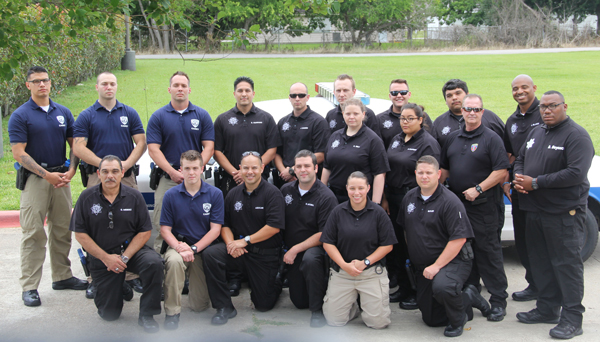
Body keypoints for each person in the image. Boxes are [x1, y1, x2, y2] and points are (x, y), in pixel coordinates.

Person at [514, 91, 594, 339]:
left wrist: (535, 182)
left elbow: (575, 173)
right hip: (535, 210)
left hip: (562, 213)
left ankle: (572, 318)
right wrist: (518, 178)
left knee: (566, 265)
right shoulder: (537, 132)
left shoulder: (576, 135)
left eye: (552, 106)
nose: (547, 110)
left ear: (564, 106)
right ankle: (547, 309)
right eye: (544, 107)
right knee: (541, 262)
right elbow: (521, 158)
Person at [8, 66, 87, 307]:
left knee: (62, 230)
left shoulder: (62, 112)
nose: (42, 85)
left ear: (50, 83)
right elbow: (19, 153)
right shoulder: (20, 115)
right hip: (36, 180)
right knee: (33, 233)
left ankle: (62, 276)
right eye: (36, 81)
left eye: (45, 80)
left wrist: (72, 170)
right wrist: (46, 175)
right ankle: (29, 286)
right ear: (28, 85)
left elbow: (75, 145)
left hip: (61, 179)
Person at [73, 71, 147, 297]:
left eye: (112, 84)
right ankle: (95, 277)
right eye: (104, 83)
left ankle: (132, 275)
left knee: (132, 224)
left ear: (117, 87)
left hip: (126, 175)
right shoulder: (86, 116)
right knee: (96, 226)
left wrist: (123, 166)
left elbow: (141, 142)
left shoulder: (129, 113)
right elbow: (78, 147)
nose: (109, 87)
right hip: (98, 176)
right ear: (97, 87)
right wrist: (105, 167)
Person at [398, 156, 490, 337]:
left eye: (429, 173)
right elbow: (407, 230)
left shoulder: (449, 201)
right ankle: (467, 297)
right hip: (425, 266)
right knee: (431, 319)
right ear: (415, 174)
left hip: (453, 261)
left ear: (438, 174)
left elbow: (459, 239)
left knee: (443, 288)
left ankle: (458, 320)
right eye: (421, 173)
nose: (424, 176)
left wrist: (436, 266)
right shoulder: (409, 198)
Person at [70, 155, 163, 333]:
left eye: (114, 171)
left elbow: (144, 232)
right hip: (102, 257)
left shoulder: (134, 196)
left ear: (122, 173)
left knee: (154, 263)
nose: (110, 176)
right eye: (105, 172)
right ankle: (120, 285)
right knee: (109, 314)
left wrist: (125, 257)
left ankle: (147, 315)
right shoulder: (86, 197)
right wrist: (106, 258)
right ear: (98, 174)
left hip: (131, 252)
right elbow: (80, 235)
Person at [440, 94, 510, 322]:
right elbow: (445, 170)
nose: (471, 113)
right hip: (459, 207)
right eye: (468, 109)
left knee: (488, 253)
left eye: (476, 109)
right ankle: (471, 292)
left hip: (483, 206)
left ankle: (498, 300)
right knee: (463, 252)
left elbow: (501, 171)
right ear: (463, 111)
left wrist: (478, 189)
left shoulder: (491, 138)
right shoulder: (452, 138)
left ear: (482, 112)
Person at [203, 151, 285, 312]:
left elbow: (274, 227)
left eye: (254, 167)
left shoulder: (273, 193)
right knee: (211, 254)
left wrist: (245, 241)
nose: (250, 172)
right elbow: (224, 224)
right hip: (239, 251)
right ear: (240, 169)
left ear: (262, 168)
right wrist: (231, 244)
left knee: (263, 305)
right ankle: (224, 307)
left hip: (264, 254)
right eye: (246, 168)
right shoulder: (233, 194)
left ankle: (277, 278)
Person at [146, 71, 215, 252]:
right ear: (169, 89)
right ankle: (163, 264)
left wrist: (196, 170)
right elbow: (153, 149)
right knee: (162, 222)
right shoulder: (158, 117)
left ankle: (196, 260)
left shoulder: (202, 115)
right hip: (169, 179)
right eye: (176, 85)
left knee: (200, 222)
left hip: (195, 179)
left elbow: (209, 147)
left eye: (183, 86)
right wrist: (172, 171)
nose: (180, 89)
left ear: (189, 89)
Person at [320, 171, 397, 329]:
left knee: (378, 324)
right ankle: (353, 307)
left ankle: (367, 305)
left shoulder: (378, 213)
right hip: (343, 272)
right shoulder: (337, 212)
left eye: (361, 188)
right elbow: (327, 243)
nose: (356, 193)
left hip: (370, 273)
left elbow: (388, 245)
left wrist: (365, 262)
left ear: (368, 188)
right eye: (352, 188)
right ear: (347, 188)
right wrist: (344, 265)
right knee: (334, 321)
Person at [383, 103, 441, 310]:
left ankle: (419, 291)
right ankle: (404, 287)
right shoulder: (397, 139)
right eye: (402, 119)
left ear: (421, 120)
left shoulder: (428, 143)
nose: (405, 122)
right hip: (395, 198)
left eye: (410, 119)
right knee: (398, 244)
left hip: (415, 200)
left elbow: (430, 177)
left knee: (414, 247)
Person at [160, 150, 227, 329]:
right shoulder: (171, 195)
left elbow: (215, 230)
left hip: (201, 249)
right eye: (187, 168)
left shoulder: (215, 194)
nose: (191, 172)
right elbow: (165, 230)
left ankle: (191, 289)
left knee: (199, 306)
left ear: (202, 168)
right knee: (173, 262)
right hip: (179, 247)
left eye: (195, 168)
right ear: (180, 169)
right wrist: (179, 247)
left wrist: (194, 249)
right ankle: (172, 313)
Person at [280, 150, 338, 327]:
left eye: (307, 166)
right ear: (294, 169)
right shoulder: (285, 190)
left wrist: (296, 249)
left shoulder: (326, 196)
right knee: (298, 302)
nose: (303, 170)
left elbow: (324, 234)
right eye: (299, 166)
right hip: (290, 251)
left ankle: (317, 310)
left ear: (316, 168)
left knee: (311, 259)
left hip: (315, 250)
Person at [502, 74, 543, 302]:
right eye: (515, 88)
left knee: (541, 241)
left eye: (524, 87)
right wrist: (509, 181)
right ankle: (534, 284)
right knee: (524, 240)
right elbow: (511, 155)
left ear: (534, 88)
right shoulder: (513, 120)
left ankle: (547, 288)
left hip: (541, 190)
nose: (519, 91)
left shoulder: (545, 113)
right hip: (519, 190)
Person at [214, 76, 281, 198]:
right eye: (240, 91)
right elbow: (217, 151)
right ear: (234, 94)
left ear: (253, 93)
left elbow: (272, 150)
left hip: (260, 180)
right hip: (232, 180)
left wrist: (253, 171)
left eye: (247, 90)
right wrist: (237, 173)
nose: (243, 94)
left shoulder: (266, 118)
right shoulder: (222, 119)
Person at [322, 98, 390, 204]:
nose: (351, 117)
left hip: (360, 198)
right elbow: (327, 167)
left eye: (356, 113)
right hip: (334, 196)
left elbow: (380, 173)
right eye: (348, 114)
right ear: (343, 114)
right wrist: (323, 192)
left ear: (363, 115)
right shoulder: (335, 136)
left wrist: (375, 203)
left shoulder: (373, 139)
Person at [274, 82, 330, 188]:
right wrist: (284, 173)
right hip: (285, 180)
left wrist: (292, 171)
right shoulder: (282, 122)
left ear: (308, 97)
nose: (297, 98)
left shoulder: (318, 122)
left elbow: (321, 154)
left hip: (308, 180)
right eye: (293, 95)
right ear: (289, 98)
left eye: (301, 95)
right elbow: (276, 153)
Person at [432, 79, 504, 148]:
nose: (454, 98)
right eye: (449, 96)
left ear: (467, 95)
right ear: (445, 101)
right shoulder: (439, 123)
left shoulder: (488, 116)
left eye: (458, 93)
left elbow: (506, 144)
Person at [376, 79, 433, 149]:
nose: (399, 95)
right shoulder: (379, 119)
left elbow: (431, 142)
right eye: (394, 93)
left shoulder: (422, 116)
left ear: (409, 95)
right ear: (390, 96)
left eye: (403, 92)